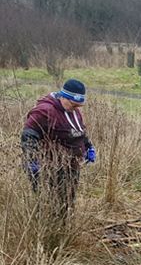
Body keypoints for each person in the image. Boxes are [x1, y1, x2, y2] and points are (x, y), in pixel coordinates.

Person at [21, 78, 96, 216]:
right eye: (73, 105)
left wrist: (88, 146)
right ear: (64, 97)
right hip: (51, 168)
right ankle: (46, 234)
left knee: (66, 204)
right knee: (49, 206)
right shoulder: (44, 111)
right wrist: (32, 160)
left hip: (71, 167)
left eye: (78, 106)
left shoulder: (73, 111)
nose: (76, 108)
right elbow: (28, 135)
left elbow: (79, 131)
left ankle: (63, 231)